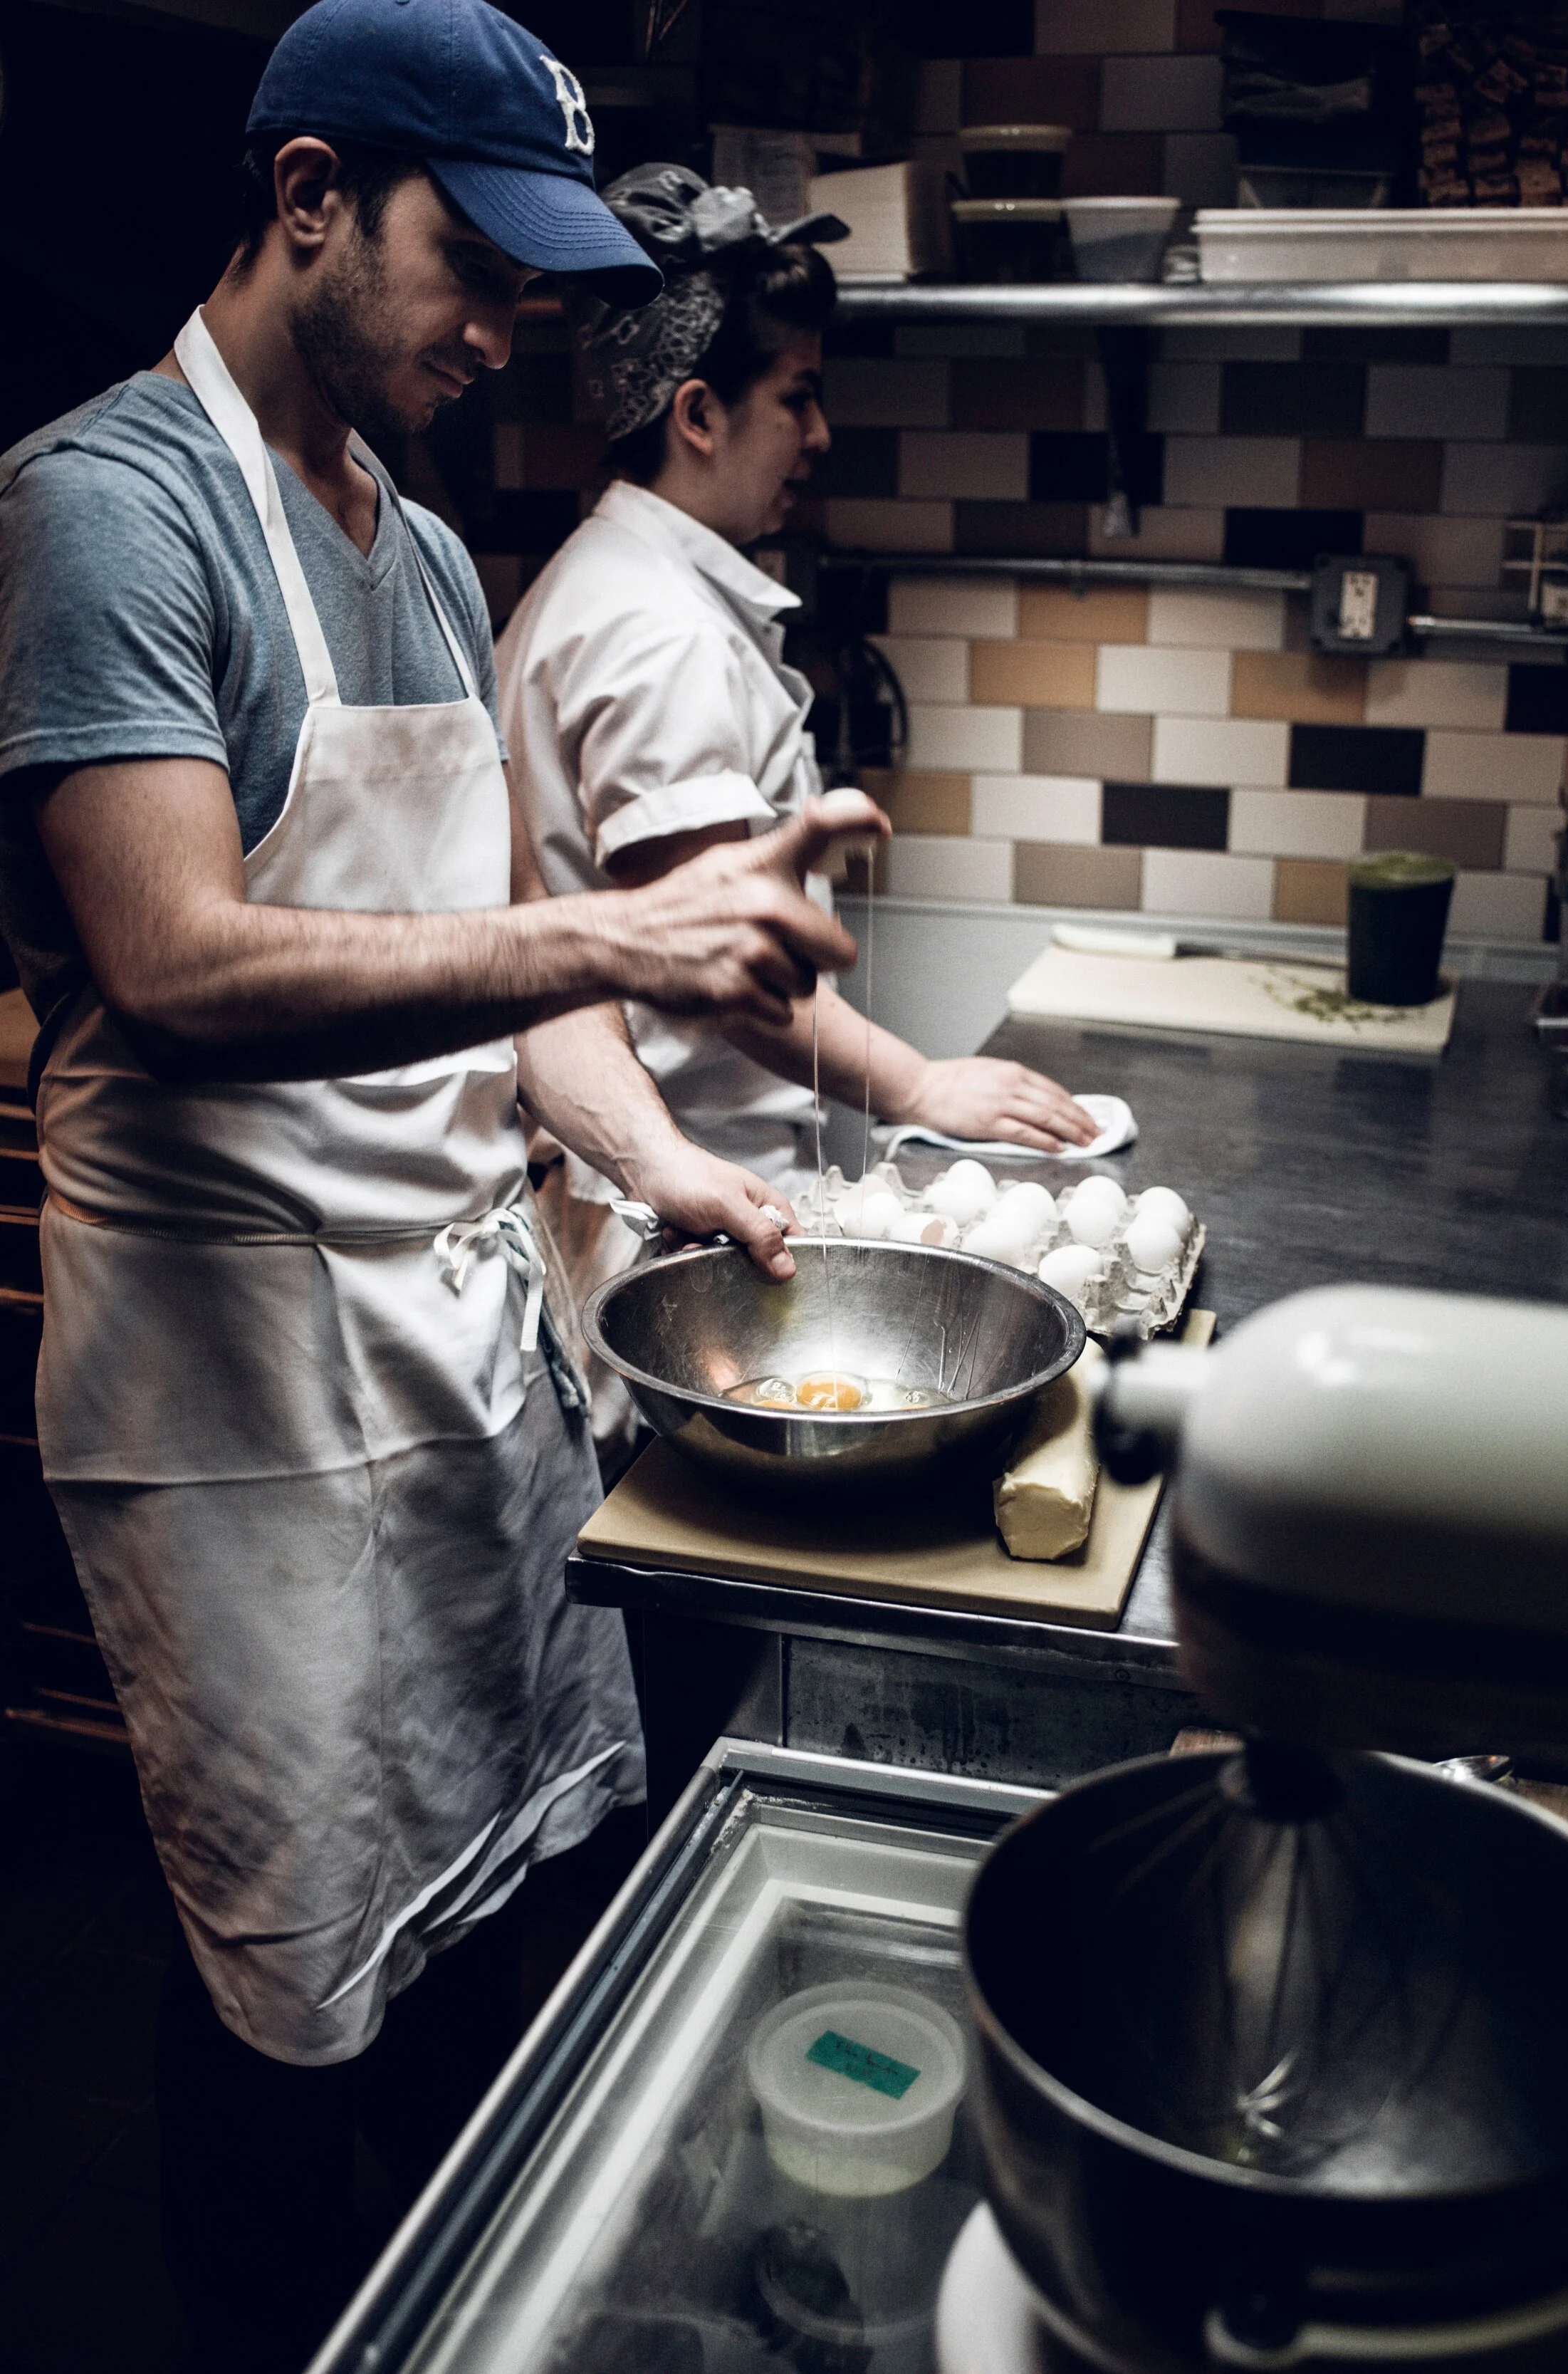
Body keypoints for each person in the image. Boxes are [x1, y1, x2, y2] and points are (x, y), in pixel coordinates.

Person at [0, 2, 886, 2362]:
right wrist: (620, 918)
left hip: (457, 1344)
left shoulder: (404, 534)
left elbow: (501, 976)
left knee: (505, 1898)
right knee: (286, 1972)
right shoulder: (110, 502)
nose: (510, 335)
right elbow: (177, 956)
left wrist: (671, 1159)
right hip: (242, 1403)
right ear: (307, 201)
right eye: (465, 264)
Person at [498, 165, 1097, 1397]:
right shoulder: (647, 628)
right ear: (700, 413)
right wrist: (922, 1084)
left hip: (695, 1201)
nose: (819, 439)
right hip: (674, 1220)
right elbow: (717, 964)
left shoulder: (627, 590)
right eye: (799, 399)